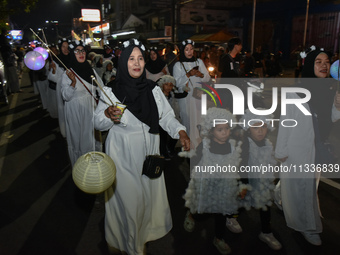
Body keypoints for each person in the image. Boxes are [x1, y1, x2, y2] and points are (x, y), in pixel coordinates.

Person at [93, 38, 190, 255]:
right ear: (123, 62)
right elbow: (97, 122)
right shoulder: (111, 90)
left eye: (140, 59)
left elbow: (166, 116)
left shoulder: (153, 90)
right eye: (131, 59)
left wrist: (180, 131)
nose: (136, 63)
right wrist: (108, 114)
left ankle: (139, 237)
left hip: (149, 153)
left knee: (145, 199)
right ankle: (134, 247)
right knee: (130, 201)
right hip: (122, 153)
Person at [275, 46, 340, 246]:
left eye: (327, 62)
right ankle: (307, 227)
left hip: (317, 146)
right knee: (305, 188)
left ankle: (279, 196)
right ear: (310, 65)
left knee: (303, 184)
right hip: (298, 148)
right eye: (318, 62)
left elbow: (331, 119)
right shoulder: (296, 92)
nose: (323, 65)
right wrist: (281, 150)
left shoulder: (329, 90)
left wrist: (337, 105)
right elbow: (286, 122)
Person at [182, 107, 250, 255]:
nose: (224, 132)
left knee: (221, 214)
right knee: (202, 211)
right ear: (211, 131)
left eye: (226, 128)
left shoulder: (233, 147)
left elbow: (240, 167)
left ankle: (219, 238)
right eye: (220, 129)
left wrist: (242, 185)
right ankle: (192, 214)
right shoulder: (204, 146)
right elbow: (194, 162)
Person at [239, 109, 282, 250]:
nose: (260, 131)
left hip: (262, 182)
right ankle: (230, 217)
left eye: (263, 126)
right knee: (240, 203)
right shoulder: (245, 144)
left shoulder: (268, 144)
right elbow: (241, 166)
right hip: (247, 181)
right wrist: (242, 185)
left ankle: (266, 232)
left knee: (265, 205)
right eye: (255, 127)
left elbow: (271, 162)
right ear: (248, 128)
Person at [61, 40, 103, 166]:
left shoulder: (91, 71)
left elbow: (101, 89)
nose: (81, 53)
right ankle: (81, 168)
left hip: (91, 110)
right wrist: (73, 83)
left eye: (83, 50)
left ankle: (95, 166)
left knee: (92, 139)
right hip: (76, 113)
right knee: (79, 140)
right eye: (77, 51)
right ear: (73, 54)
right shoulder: (67, 73)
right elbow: (65, 96)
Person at [173, 39, 210, 148]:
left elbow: (207, 78)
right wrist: (188, 74)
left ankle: (198, 147)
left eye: (191, 49)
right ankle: (188, 147)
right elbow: (177, 83)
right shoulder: (178, 65)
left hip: (198, 97)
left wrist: (201, 75)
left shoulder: (199, 62)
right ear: (182, 51)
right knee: (187, 122)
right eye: (186, 49)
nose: (189, 52)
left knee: (199, 122)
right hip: (185, 99)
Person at [157, 74, 188, 159]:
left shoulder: (172, 94)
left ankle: (170, 148)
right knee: (162, 137)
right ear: (162, 84)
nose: (168, 87)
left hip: (172, 118)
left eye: (171, 85)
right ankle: (163, 153)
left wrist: (186, 89)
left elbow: (182, 95)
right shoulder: (158, 96)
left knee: (175, 134)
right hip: (160, 119)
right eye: (166, 84)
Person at [48, 38, 72, 138]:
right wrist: (54, 70)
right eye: (63, 47)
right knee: (64, 112)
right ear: (60, 48)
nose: (65, 49)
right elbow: (53, 78)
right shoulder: (57, 61)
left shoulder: (73, 59)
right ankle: (66, 131)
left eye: (67, 47)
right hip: (62, 91)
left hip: (73, 90)